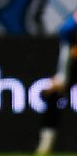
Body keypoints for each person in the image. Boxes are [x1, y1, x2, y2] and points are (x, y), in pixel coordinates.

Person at [35, 10, 77, 155]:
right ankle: (46, 144)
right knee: (54, 96)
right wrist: (61, 77)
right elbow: (66, 41)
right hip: (73, 65)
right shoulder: (71, 28)